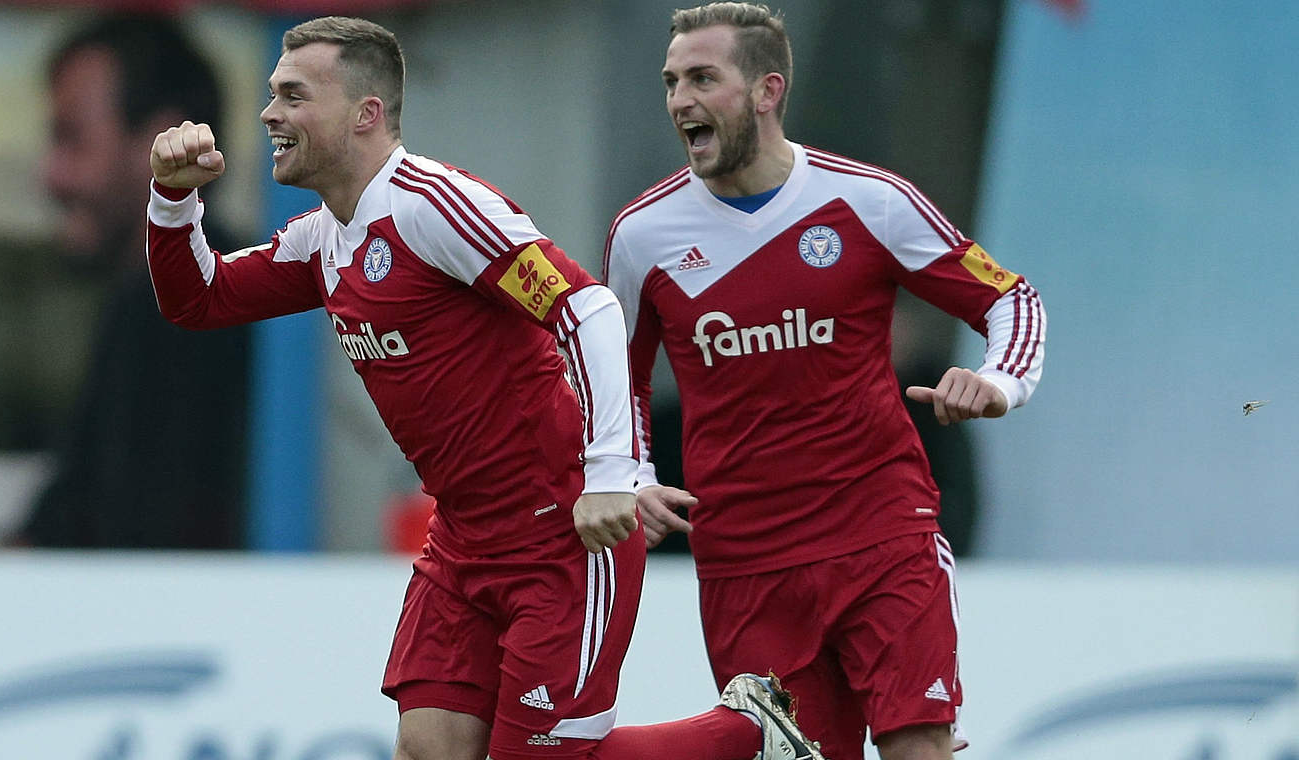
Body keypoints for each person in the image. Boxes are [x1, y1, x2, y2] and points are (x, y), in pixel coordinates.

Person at [145, 16, 824, 760]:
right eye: (272, 95)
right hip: (464, 541)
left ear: (367, 113)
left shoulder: (431, 207)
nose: (270, 113)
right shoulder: (323, 237)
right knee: (428, 749)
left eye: (295, 96)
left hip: (560, 534)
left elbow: (586, 308)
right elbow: (199, 301)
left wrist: (607, 473)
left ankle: (747, 735)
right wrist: (174, 202)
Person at [603, 4, 1047, 760]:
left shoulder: (869, 202)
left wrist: (999, 381)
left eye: (704, 78)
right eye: (672, 81)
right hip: (747, 563)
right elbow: (615, 380)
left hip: (881, 533)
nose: (681, 99)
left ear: (767, 90)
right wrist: (629, 472)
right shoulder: (643, 235)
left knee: (920, 743)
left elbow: (1008, 297)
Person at [14, 14, 251, 549]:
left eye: (71, 138)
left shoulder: (196, 307)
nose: (50, 175)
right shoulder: (156, 298)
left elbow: (129, 537)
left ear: (165, 146)